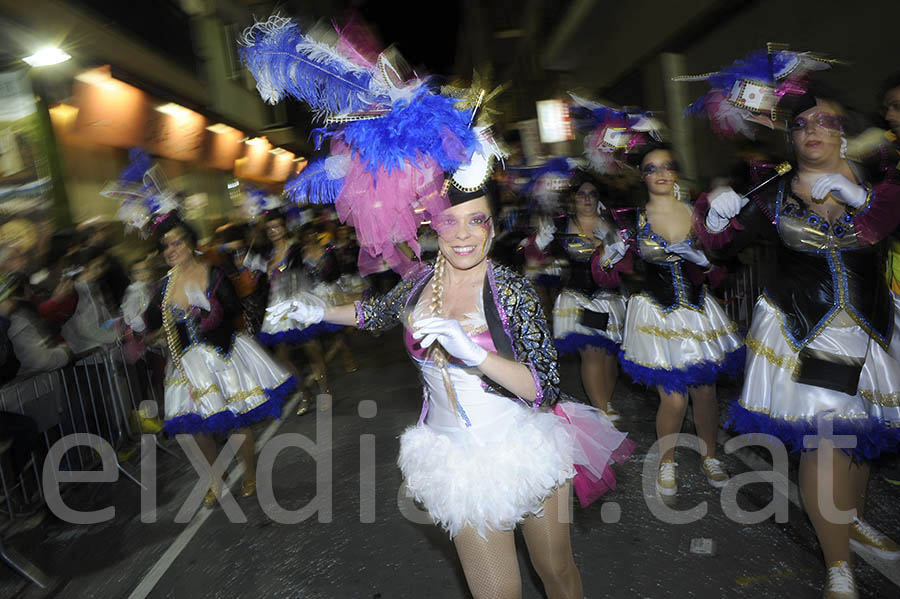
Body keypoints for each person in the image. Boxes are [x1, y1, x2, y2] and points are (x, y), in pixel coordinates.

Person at [273, 185, 633, 598]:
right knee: (496, 593)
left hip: (523, 445)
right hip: (456, 461)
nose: (463, 234)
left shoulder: (512, 291)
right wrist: (319, 311)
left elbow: (545, 387)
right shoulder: (420, 283)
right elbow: (374, 312)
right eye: (449, 221)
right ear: (434, 228)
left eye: (476, 220)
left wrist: (473, 354)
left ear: (492, 229)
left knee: (554, 569)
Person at [695, 90, 900, 598]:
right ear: (791, 137)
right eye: (802, 123)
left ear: (843, 131)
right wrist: (717, 219)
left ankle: (847, 519)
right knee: (825, 440)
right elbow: (721, 250)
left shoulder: (878, 180)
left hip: (870, 327)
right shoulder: (771, 191)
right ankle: (838, 564)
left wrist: (867, 203)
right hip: (801, 328)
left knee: (860, 435)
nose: (813, 130)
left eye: (825, 120)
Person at [594, 143, 743, 497]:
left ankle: (710, 456)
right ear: (642, 176)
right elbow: (605, 275)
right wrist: (606, 258)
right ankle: (667, 460)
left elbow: (722, 269)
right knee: (674, 398)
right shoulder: (630, 219)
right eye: (651, 168)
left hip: (696, 313)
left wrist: (704, 262)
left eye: (667, 165)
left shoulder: (698, 212)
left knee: (705, 392)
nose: (661, 173)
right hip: (656, 316)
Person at [135, 214, 296, 504]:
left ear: (190, 243)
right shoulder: (163, 286)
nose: (172, 250)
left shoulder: (213, 272)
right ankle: (214, 478)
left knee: (237, 420)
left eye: (177, 242)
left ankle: (250, 472)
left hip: (222, 357)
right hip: (187, 365)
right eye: (166, 246)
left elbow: (233, 307)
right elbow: (149, 319)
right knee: (198, 427)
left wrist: (210, 311)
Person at [525, 172, 626, 420]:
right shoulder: (560, 226)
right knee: (592, 351)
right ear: (574, 199)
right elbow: (532, 258)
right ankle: (602, 410)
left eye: (592, 194)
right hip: (577, 298)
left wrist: (614, 247)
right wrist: (538, 242)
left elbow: (627, 263)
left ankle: (605, 401)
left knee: (609, 357)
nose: (587, 199)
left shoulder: (612, 223)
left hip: (609, 299)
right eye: (582, 194)